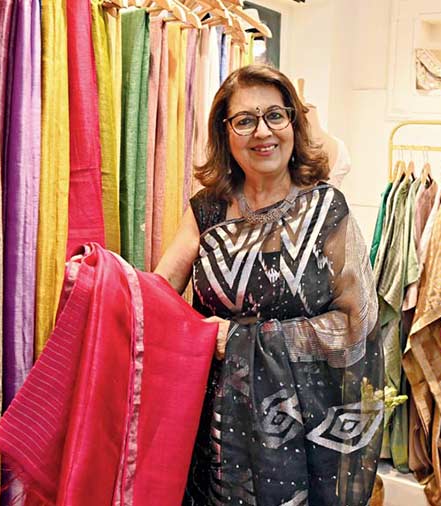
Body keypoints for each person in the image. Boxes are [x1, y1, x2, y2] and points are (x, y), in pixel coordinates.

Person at [155, 64, 384, 506]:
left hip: (303, 435)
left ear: (293, 123)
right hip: (214, 431)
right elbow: (157, 294)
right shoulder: (207, 210)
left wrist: (242, 341)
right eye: (245, 120)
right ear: (225, 133)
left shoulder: (326, 209)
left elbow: (358, 325)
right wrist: (103, 279)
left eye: (275, 116)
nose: (263, 132)